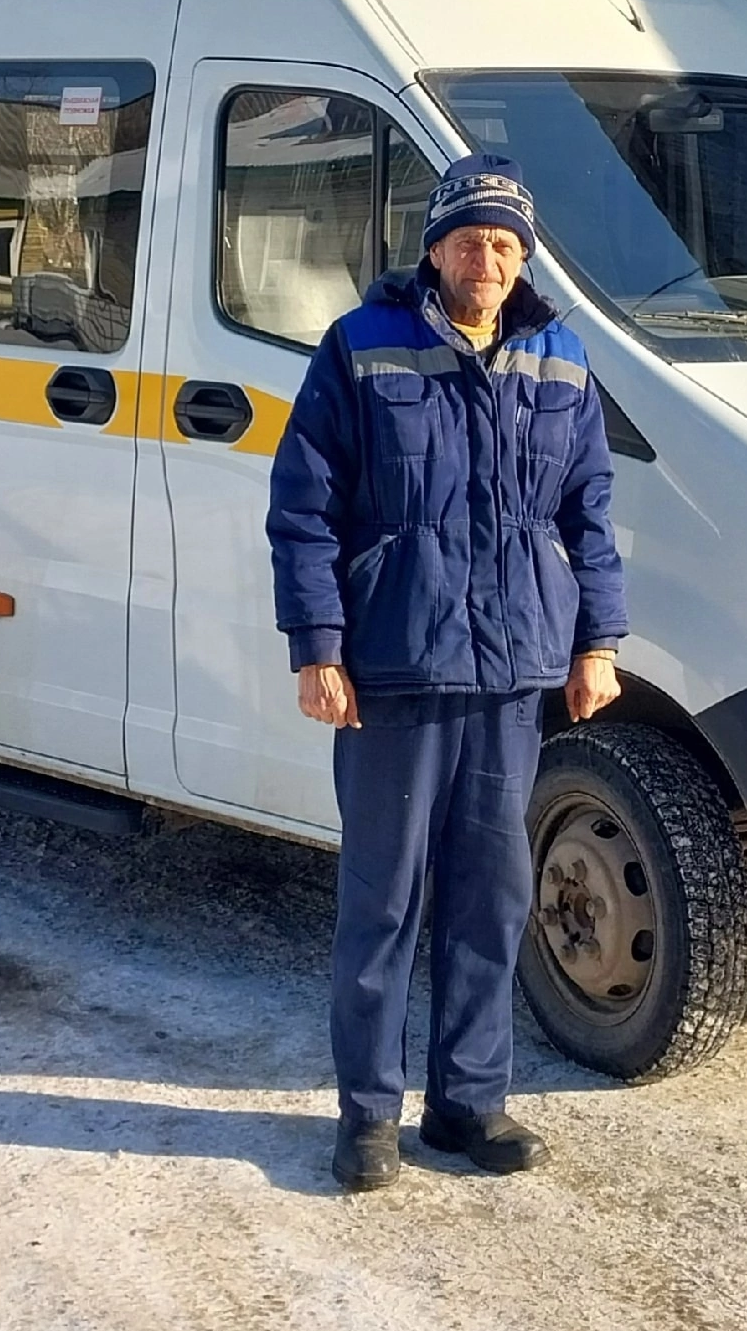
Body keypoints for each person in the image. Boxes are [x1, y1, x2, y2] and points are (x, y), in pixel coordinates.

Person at [267, 153, 626, 1193]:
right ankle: (368, 1116)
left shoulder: (560, 358)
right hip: (394, 670)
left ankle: (468, 1104)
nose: (488, 261)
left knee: (492, 898)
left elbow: (590, 513)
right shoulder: (360, 346)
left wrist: (597, 642)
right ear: (434, 249)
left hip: (511, 675)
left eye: (505, 245)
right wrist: (318, 647)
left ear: (524, 259)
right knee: (383, 901)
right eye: (470, 241)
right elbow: (303, 510)